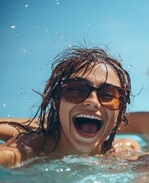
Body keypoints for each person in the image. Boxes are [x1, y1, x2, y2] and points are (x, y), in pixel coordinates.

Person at [0, 47, 131, 167]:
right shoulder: (26, 149)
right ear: (56, 102)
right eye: (76, 90)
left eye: (107, 95)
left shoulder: (125, 152)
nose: (92, 101)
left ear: (120, 114)